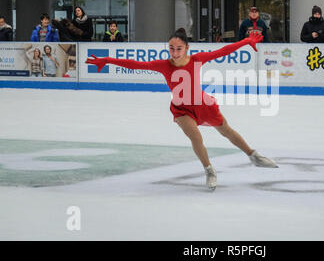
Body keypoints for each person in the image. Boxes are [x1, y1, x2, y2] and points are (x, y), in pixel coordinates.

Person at [86, 30, 278, 191]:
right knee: (196, 137)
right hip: (181, 109)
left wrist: (246, 41)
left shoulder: (197, 59)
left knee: (225, 130)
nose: (175, 52)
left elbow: (223, 51)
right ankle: (209, 170)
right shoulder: (163, 65)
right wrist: (108, 60)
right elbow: (136, 64)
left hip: (203, 104)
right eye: (171, 48)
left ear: (186, 48)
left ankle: (253, 156)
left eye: (178, 48)